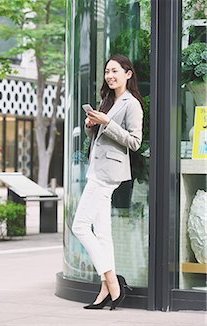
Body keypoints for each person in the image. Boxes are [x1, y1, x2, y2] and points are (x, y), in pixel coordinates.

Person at [72, 54, 144, 310]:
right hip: (97, 168)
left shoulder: (131, 103)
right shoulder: (108, 100)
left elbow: (135, 141)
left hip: (108, 173)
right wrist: (92, 123)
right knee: (102, 234)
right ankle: (106, 288)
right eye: (107, 72)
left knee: (79, 227)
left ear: (128, 73)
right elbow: (100, 134)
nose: (110, 76)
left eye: (115, 71)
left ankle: (113, 281)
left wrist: (108, 122)